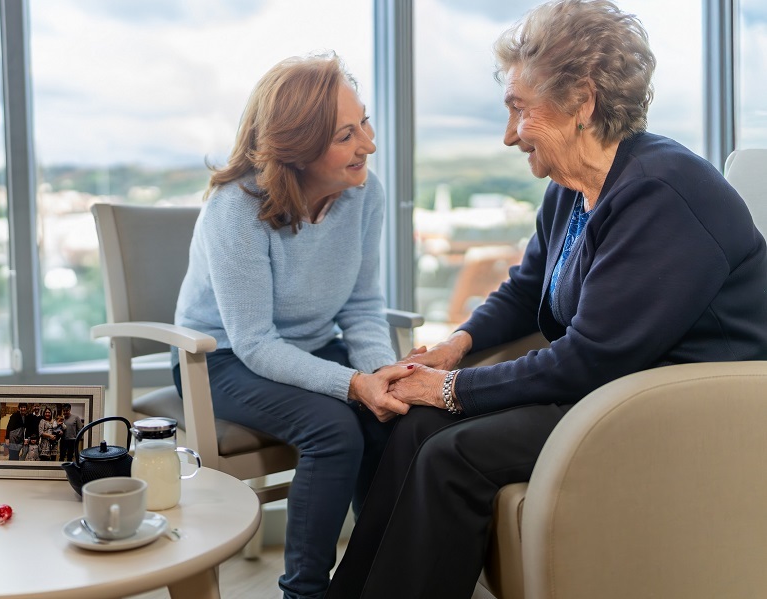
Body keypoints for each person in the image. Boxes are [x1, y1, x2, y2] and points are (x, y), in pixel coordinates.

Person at [327, 1, 767, 597]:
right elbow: (524, 289)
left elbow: (591, 358)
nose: (509, 134)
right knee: (416, 425)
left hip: (679, 407)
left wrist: (451, 389)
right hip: (609, 390)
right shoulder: (571, 187)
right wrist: (456, 347)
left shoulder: (661, 191)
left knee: (452, 455)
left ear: (582, 101)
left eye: (519, 109)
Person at [172, 53, 413, 599]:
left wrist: (381, 374)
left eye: (364, 123)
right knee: (335, 431)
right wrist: (353, 384)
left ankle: (376, 580)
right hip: (219, 359)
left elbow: (362, 306)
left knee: (395, 417)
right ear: (298, 148)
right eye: (346, 135)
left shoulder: (364, 193)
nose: (369, 145)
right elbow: (255, 343)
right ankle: (304, 593)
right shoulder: (235, 209)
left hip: (311, 347)